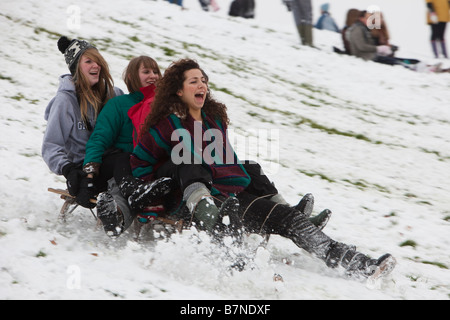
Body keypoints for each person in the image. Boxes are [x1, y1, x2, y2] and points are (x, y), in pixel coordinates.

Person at [130, 58, 396, 279]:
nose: (202, 85)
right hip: (190, 203)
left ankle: (358, 264)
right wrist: (159, 194)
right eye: (194, 81)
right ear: (178, 90)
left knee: (288, 219)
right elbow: (140, 163)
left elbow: (227, 162)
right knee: (190, 160)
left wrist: (245, 181)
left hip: (230, 197)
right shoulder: (166, 125)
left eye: (204, 80)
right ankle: (238, 262)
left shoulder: (213, 121)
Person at [82, 56, 173, 236]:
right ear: (132, 76)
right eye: (146, 72)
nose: (153, 76)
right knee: (124, 167)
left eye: (156, 72)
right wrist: (89, 172)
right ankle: (117, 215)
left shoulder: (165, 107)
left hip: (146, 167)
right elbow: (99, 138)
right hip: (117, 162)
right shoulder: (119, 104)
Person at [42, 36, 124, 213]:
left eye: (98, 61)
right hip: (83, 169)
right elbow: (51, 146)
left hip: (116, 162)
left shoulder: (114, 95)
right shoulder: (65, 102)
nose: (96, 66)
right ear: (76, 67)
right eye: (88, 61)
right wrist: (68, 169)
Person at [346, 11, 421, 68]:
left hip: (372, 55)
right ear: (361, 18)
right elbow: (361, 46)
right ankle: (412, 67)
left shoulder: (363, 28)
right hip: (368, 57)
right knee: (395, 62)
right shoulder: (358, 29)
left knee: (397, 60)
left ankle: (417, 64)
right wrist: (379, 49)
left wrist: (388, 48)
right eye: (367, 18)